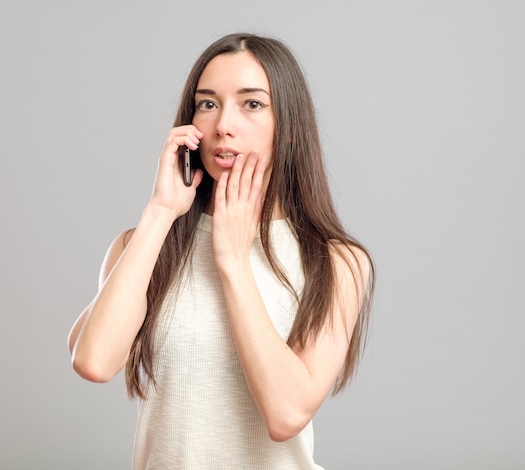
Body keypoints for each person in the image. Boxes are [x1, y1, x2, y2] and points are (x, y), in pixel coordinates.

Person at [68, 32, 375, 469]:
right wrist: (160, 211)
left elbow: (287, 413)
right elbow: (94, 361)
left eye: (251, 104)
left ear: (288, 129)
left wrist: (232, 260)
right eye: (207, 104)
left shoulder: (336, 261)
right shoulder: (147, 243)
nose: (223, 125)